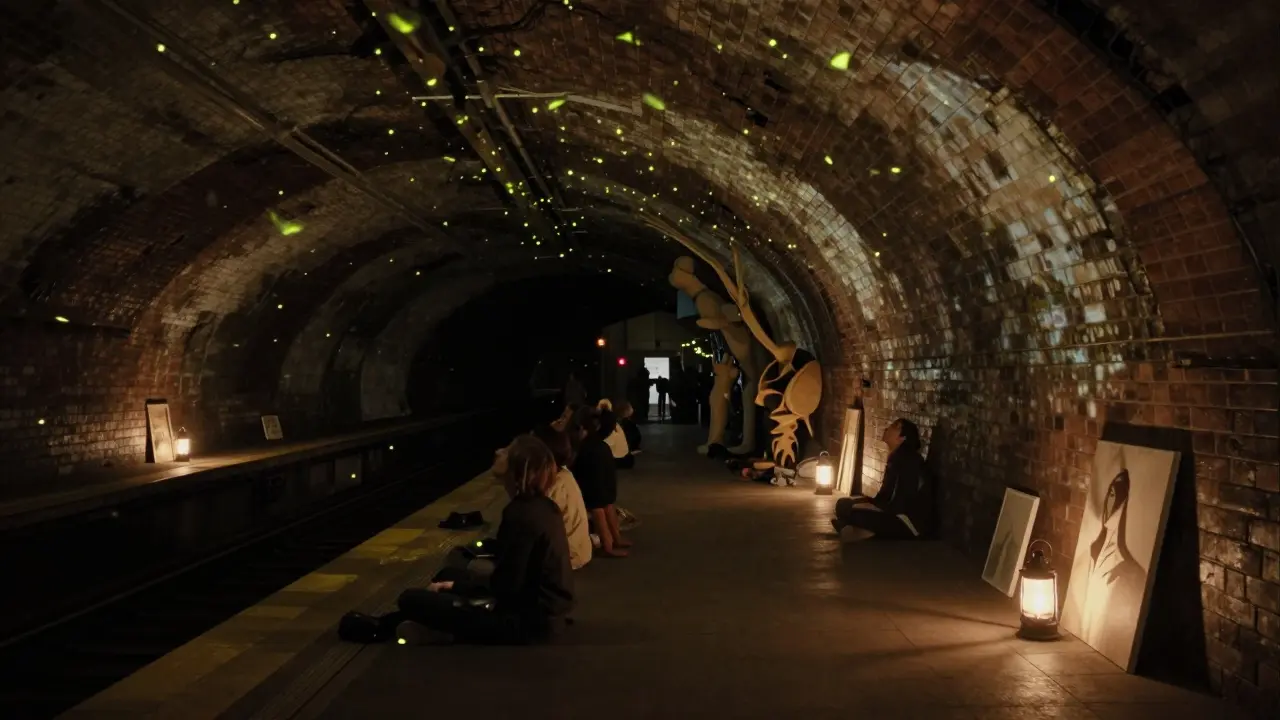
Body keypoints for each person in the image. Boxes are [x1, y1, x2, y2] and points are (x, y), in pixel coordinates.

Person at [339, 435, 573, 645]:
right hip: (544, 615)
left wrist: (457, 589)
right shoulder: (542, 507)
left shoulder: (519, 513)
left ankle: (394, 628)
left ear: (517, 468)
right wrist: (456, 585)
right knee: (446, 576)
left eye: (508, 450)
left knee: (410, 599)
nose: (499, 450)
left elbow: (506, 588)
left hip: (525, 624)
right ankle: (415, 626)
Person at [831, 418, 928, 541]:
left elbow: (900, 502)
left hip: (906, 522)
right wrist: (868, 502)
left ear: (902, 438)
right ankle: (855, 529)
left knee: (851, 512)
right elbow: (885, 495)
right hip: (893, 512)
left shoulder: (907, 460)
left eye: (894, 426)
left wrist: (871, 507)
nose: (887, 429)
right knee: (844, 504)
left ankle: (855, 529)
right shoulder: (897, 457)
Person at [531, 424, 593, 570]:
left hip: (568, 557)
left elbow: (537, 526)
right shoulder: (563, 473)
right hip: (576, 550)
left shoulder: (554, 485)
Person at [572, 408, 631, 557]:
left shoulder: (582, 433)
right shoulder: (600, 442)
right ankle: (615, 539)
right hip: (601, 455)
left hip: (590, 461)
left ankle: (608, 546)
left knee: (598, 507)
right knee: (607, 503)